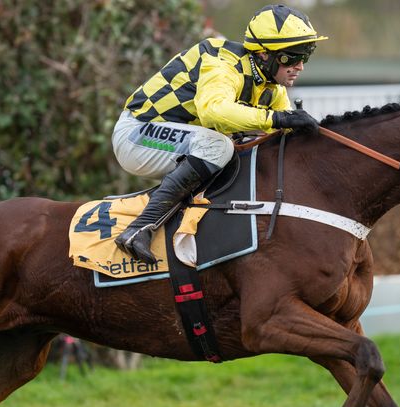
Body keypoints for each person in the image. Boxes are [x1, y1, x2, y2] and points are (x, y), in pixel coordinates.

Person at [111, 4, 326, 264]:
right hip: (138, 134)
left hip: (176, 139)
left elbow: (286, 132)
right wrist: (277, 118)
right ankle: (139, 229)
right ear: (264, 55)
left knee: (244, 150)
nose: (300, 66)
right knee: (219, 147)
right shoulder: (222, 62)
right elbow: (214, 111)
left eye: (306, 55)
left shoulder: (271, 87)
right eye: (291, 57)